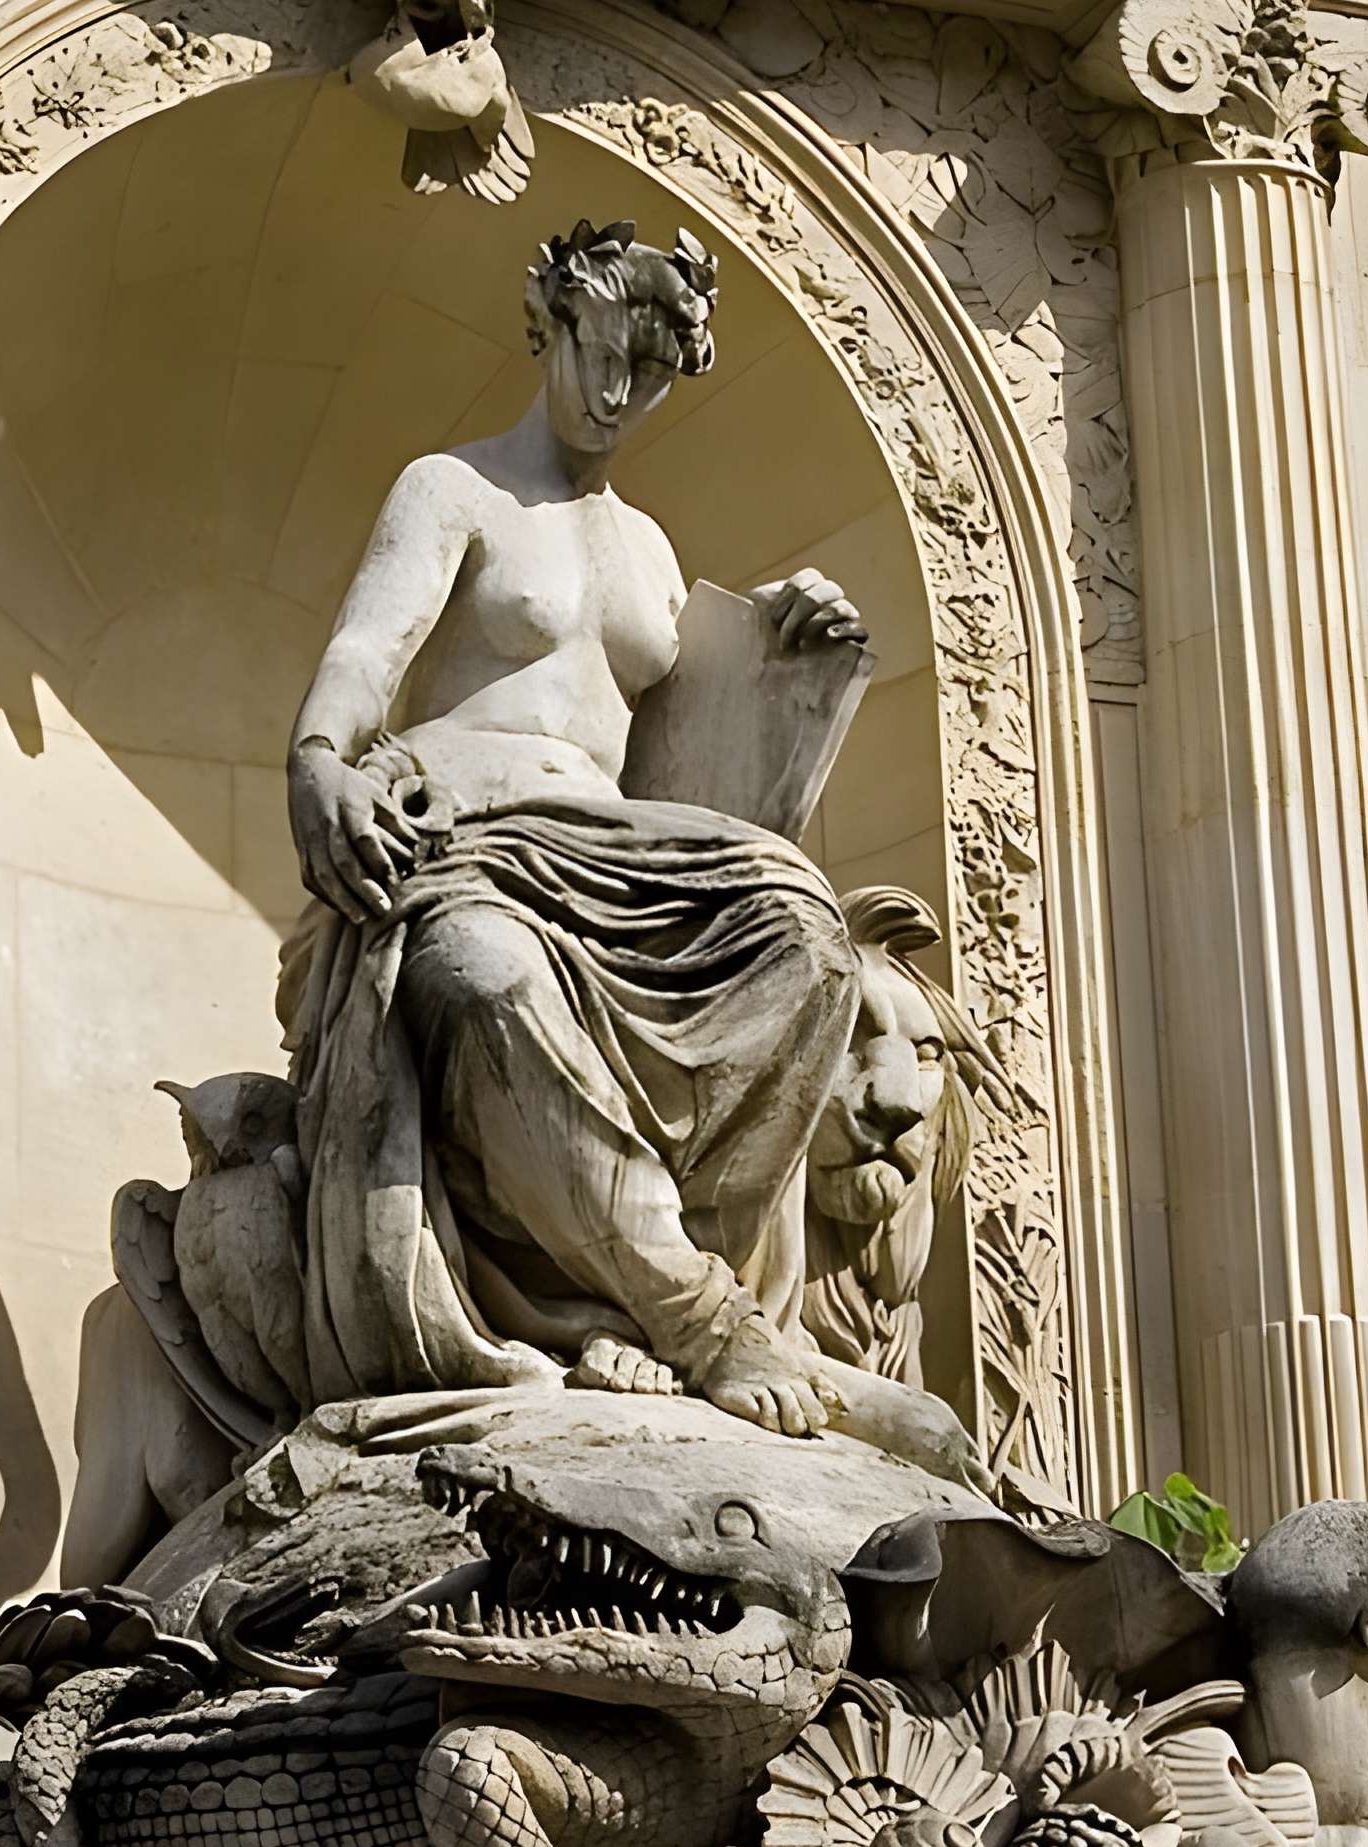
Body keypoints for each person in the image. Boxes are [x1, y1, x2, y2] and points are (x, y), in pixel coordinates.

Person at [279, 216, 978, 1477]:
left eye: (648, 375)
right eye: (599, 352)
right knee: (482, 975)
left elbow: (692, 778)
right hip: (467, 833)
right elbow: (367, 652)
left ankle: (659, 1277)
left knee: (811, 943)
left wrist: (787, 654)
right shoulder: (455, 488)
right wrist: (319, 760)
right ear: (547, 323)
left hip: (618, 855)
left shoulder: (652, 553)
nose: (615, 392)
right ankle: (693, 1319)